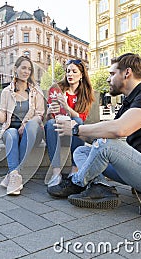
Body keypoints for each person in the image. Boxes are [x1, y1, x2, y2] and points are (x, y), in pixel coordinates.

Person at [50, 53, 141, 209]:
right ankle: (100, 187)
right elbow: (105, 138)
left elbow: (120, 130)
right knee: (81, 151)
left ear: (127, 73)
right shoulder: (129, 102)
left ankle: (77, 182)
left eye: (112, 74)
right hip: (138, 169)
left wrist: (76, 128)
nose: (108, 79)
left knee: (106, 143)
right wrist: (75, 132)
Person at [0, 55, 45, 195]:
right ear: (15, 69)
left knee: (30, 126)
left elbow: (40, 115)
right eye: (23, 68)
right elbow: (3, 118)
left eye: (29, 69)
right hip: (11, 130)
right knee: (11, 133)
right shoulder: (7, 92)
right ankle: (15, 175)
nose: (26, 71)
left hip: (31, 131)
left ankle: (13, 174)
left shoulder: (36, 91)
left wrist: (26, 124)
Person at [44, 59, 94, 188]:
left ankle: (75, 169)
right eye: (68, 71)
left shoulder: (86, 93)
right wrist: (50, 111)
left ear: (81, 75)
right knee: (50, 123)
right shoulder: (57, 89)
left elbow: (81, 117)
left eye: (74, 71)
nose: (70, 74)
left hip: (73, 129)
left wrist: (66, 107)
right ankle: (56, 172)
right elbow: (50, 116)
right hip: (57, 127)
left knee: (77, 121)